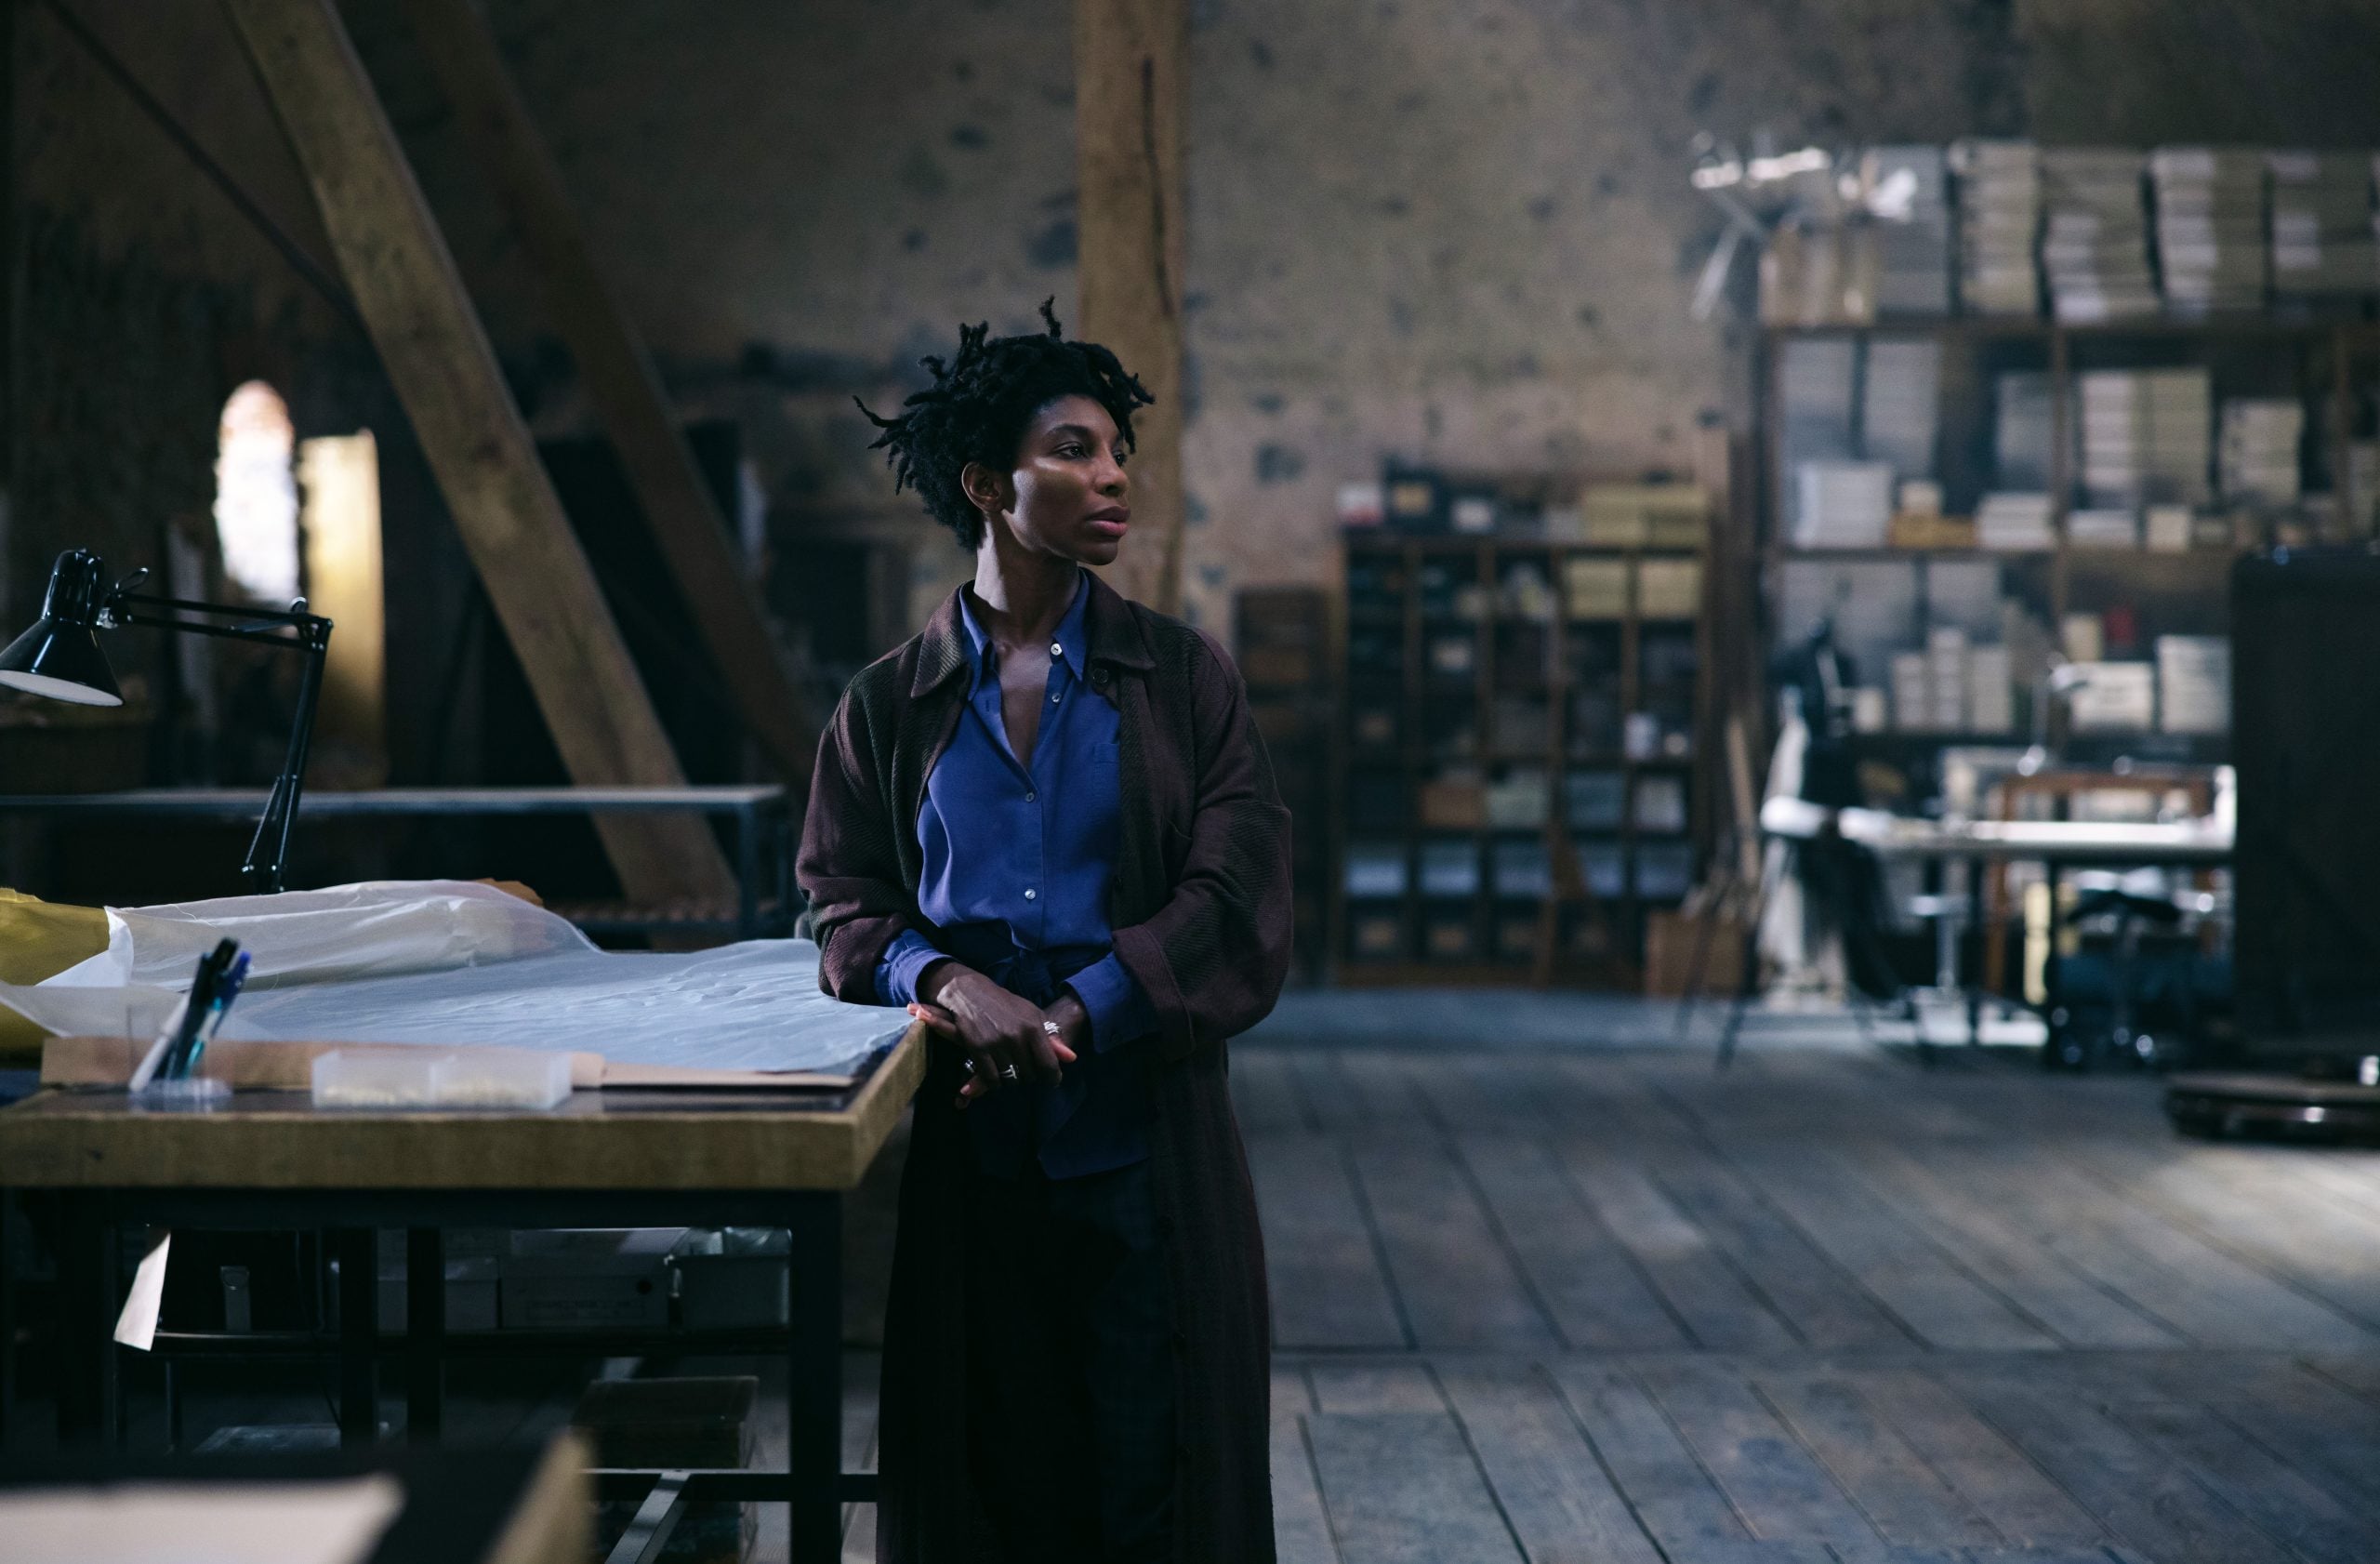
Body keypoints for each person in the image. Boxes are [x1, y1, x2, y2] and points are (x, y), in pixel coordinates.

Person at [798, 302, 1292, 1563]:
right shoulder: (889, 703)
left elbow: (1232, 887)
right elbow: (843, 899)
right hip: (974, 1152)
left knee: (1157, 1485)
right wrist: (951, 983)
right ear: (986, 484)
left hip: (1146, 1141)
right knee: (995, 1483)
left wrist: (1080, 1011)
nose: (1114, 476)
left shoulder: (1182, 680)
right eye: (1074, 450)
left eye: (1118, 452)